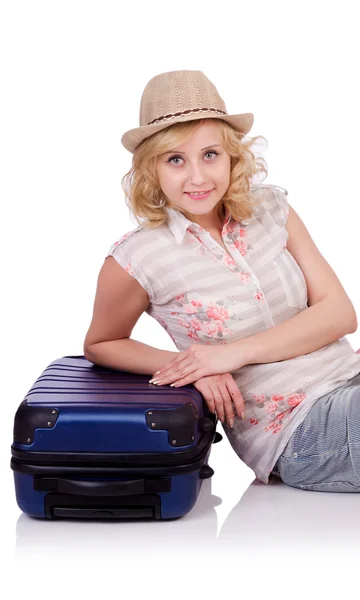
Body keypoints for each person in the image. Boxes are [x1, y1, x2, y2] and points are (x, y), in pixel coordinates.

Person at [84, 70, 360, 492]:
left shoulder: (271, 209)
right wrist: (192, 369)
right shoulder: (135, 257)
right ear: (151, 169)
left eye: (209, 154)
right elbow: (102, 343)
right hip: (298, 426)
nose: (197, 176)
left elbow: (340, 314)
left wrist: (229, 355)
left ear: (232, 155)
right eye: (175, 159)